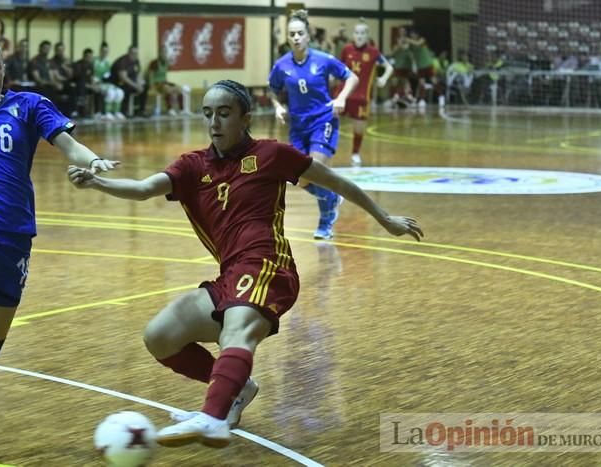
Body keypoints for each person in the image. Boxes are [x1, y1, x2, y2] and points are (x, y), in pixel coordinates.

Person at [66, 79, 423, 448]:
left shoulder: (272, 155)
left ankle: (213, 417)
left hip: (268, 265)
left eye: (224, 113)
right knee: (160, 337)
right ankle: (238, 389)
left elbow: (334, 181)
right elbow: (142, 189)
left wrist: (384, 219)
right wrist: (96, 183)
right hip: (230, 276)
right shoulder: (192, 166)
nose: (214, 122)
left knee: (234, 334)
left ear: (245, 117)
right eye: (208, 114)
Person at [0, 37, 118, 381]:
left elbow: (69, 145)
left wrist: (93, 160)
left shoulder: (30, 105)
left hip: (12, 234)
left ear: (4, 69)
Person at [267, 10, 359, 240]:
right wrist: (278, 106)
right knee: (298, 177)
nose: (296, 37)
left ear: (308, 36)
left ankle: (326, 221)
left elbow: (352, 78)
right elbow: (273, 89)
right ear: (287, 38)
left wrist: (342, 98)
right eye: (292, 34)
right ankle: (331, 198)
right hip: (298, 126)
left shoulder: (323, 59)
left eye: (300, 33)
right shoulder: (281, 66)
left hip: (323, 120)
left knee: (314, 169)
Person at [337, 19, 394, 167]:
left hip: (362, 98)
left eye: (362, 33)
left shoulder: (374, 52)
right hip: (344, 95)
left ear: (367, 35)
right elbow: (339, 69)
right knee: (329, 120)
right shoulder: (346, 49)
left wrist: (384, 78)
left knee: (359, 129)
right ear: (353, 34)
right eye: (357, 32)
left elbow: (389, 67)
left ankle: (355, 153)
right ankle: (324, 150)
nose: (359, 36)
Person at [147, 45, 191, 116]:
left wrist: (167, 61)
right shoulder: (154, 63)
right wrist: (151, 86)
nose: (164, 54)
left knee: (179, 89)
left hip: (164, 82)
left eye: (165, 52)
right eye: (162, 52)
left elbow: (168, 69)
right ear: (159, 53)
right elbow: (150, 76)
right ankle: (170, 109)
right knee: (168, 89)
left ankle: (182, 109)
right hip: (157, 83)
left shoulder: (166, 62)